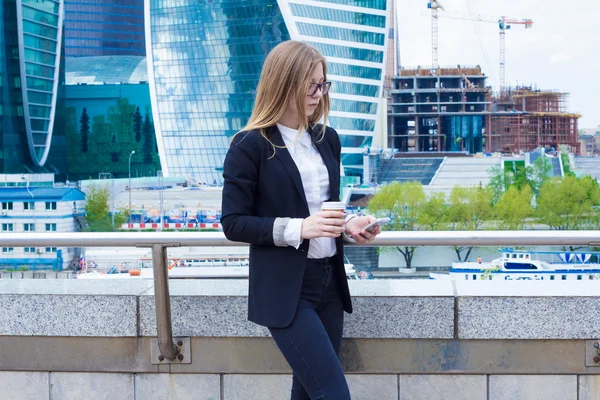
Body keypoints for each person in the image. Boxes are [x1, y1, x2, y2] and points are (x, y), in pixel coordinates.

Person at [221, 40, 382, 400]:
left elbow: (322, 207)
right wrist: (299, 227)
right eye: (311, 84)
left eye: (323, 84)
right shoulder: (249, 145)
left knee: (309, 392)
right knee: (332, 393)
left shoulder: (327, 139)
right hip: (287, 290)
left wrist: (350, 224)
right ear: (284, 82)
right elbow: (233, 222)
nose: (318, 93)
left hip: (329, 282)